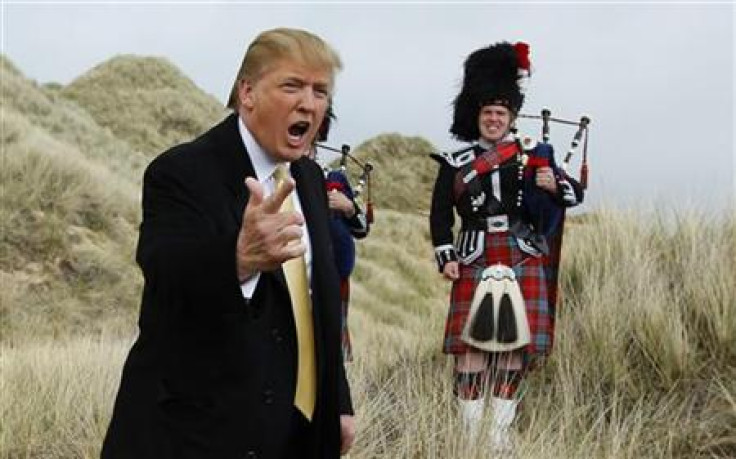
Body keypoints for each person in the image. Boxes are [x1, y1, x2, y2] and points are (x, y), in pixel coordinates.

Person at [101, 28, 355, 459]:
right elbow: (166, 271)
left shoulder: (310, 180)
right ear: (248, 92)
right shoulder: (180, 171)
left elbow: (316, 303)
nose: (309, 104)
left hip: (297, 433)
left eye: (320, 91)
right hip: (196, 434)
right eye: (292, 85)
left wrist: (338, 402)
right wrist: (237, 260)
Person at [429, 41, 583, 451]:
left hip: (522, 251)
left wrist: (556, 184)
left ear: (511, 117)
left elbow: (573, 193)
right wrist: (446, 255)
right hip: (475, 252)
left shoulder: (531, 154)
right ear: (476, 116)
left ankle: (498, 437)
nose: (494, 120)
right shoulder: (454, 161)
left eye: (501, 113)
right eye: (487, 113)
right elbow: (440, 215)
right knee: (470, 349)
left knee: (514, 349)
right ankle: (469, 435)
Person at [308, 107, 370, 362]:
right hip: (287, 278)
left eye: (311, 141)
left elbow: (362, 228)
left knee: (329, 359)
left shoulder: (333, 180)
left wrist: (348, 208)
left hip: (331, 278)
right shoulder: (272, 174)